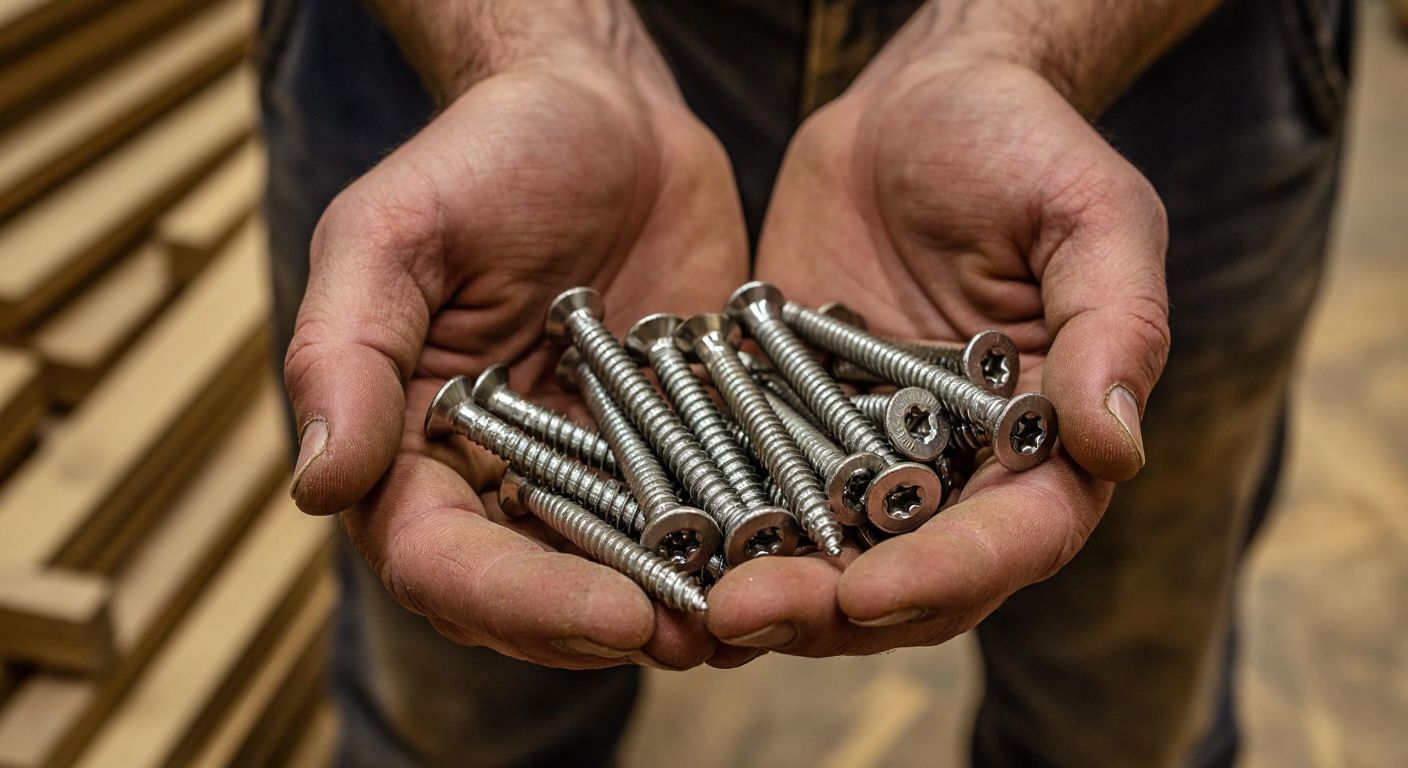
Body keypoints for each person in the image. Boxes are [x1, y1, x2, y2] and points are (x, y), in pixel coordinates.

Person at [259, 1, 1355, 765]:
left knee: (1118, 715)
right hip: (460, 60)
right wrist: (538, 43)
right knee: (459, 729)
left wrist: (1016, 37)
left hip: (1157, 59)